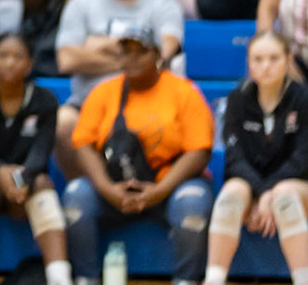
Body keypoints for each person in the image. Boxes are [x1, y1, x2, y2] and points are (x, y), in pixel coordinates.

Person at [62, 22, 215, 285]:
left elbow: (199, 151)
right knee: (77, 195)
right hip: (115, 186)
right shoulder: (103, 93)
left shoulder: (184, 92)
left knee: (192, 201)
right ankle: (85, 277)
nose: (132, 59)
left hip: (168, 185)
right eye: (126, 52)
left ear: (157, 55)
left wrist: (159, 191)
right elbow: (83, 146)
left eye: (141, 52)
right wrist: (108, 189)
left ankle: (186, 279)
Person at [53, 0, 185, 177]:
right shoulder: (81, 3)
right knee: (62, 122)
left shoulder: (165, 5)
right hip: (88, 105)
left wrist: (98, 45)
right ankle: (85, 188)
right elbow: (67, 60)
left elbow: (164, 55)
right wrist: (136, 54)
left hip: (148, 102)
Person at [0, 31, 72, 285]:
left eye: (17, 56)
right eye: (3, 55)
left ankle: (60, 278)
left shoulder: (45, 100)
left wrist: (20, 178)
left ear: (29, 64)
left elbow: (40, 155)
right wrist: (0, 171)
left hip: (22, 189)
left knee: (42, 182)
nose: (9, 62)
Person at [205, 31, 308, 285]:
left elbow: (301, 159)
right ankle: (213, 279)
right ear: (249, 62)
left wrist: (268, 193)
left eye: (273, 58)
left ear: (288, 60)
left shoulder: (305, 98)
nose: (265, 66)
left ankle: (305, 280)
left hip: (297, 184)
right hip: (249, 183)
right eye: (258, 59)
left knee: (284, 197)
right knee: (230, 196)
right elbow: (234, 159)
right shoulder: (238, 98)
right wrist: (260, 192)